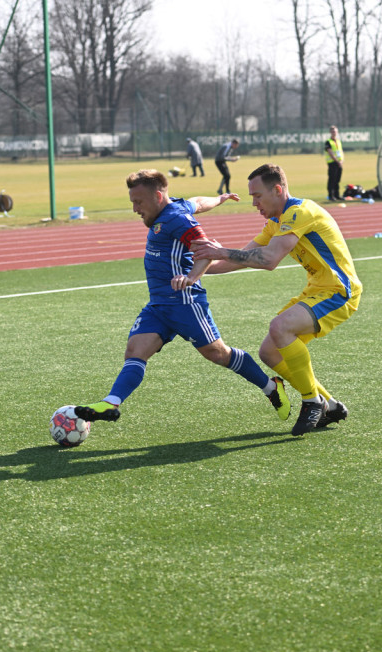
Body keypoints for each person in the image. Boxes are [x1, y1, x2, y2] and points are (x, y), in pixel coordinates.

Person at [74, 169, 291, 427]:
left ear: (157, 196)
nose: (135, 209)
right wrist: (219, 198)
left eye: (139, 202)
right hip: (159, 305)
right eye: (132, 201)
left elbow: (207, 251)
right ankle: (111, 402)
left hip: (185, 302)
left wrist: (191, 278)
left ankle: (271, 387)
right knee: (135, 350)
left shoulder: (177, 220)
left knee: (218, 354)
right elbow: (197, 202)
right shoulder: (175, 206)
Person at [193, 163, 362, 437]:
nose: (254, 203)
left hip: (339, 291)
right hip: (317, 290)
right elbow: (241, 258)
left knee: (280, 327)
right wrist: (195, 268)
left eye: (258, 196)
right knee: (269, 352)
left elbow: (268, 260)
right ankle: (328, 405)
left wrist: (220, 251)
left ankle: (311, 402)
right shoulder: (276, 222)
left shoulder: (299, 212)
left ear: (278, 190)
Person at [324, 125, 345, 201]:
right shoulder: (328, 142)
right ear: (330, 132)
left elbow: (341, 151)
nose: (334, 133)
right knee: (332, 180)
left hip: (339, 163)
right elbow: (330, 153)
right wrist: (337, 161)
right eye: (332, 131)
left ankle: (337, 195)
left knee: (337, 180)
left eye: (335, 131)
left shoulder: (338, 141)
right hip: (332, 163)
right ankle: (331, 195)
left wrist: (342, 160)